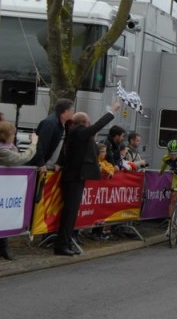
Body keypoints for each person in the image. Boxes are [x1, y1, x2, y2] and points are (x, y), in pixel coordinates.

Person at [53, 99, 121, 256]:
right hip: (74, 177)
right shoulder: (78, 131)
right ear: (84, 122)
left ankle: (67, 242)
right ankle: (62, 245)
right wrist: (112, 111)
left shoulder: (77, 133)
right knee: (69, 213)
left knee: (72, 213)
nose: (91, 125)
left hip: (76, 176)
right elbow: (97, 127)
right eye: (89, 122)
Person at [0, 121, 38, 260]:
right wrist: (33, 144)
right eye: (13, 133)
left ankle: (3, 247)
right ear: (6, 135)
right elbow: (21, 159)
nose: (14, 136)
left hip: (6, 189)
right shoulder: (3, 150)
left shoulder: (8, 147)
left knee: (4, 216)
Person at [26, 98, 74, 173]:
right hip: (39, 167)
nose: (73, 113)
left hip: (49, 166)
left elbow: (62, 145)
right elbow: (40, 143)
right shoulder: (50, 123)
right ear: (66, 111)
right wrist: (41, 163)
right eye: (72, 111)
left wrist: (58, 162)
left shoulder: (65, 124)